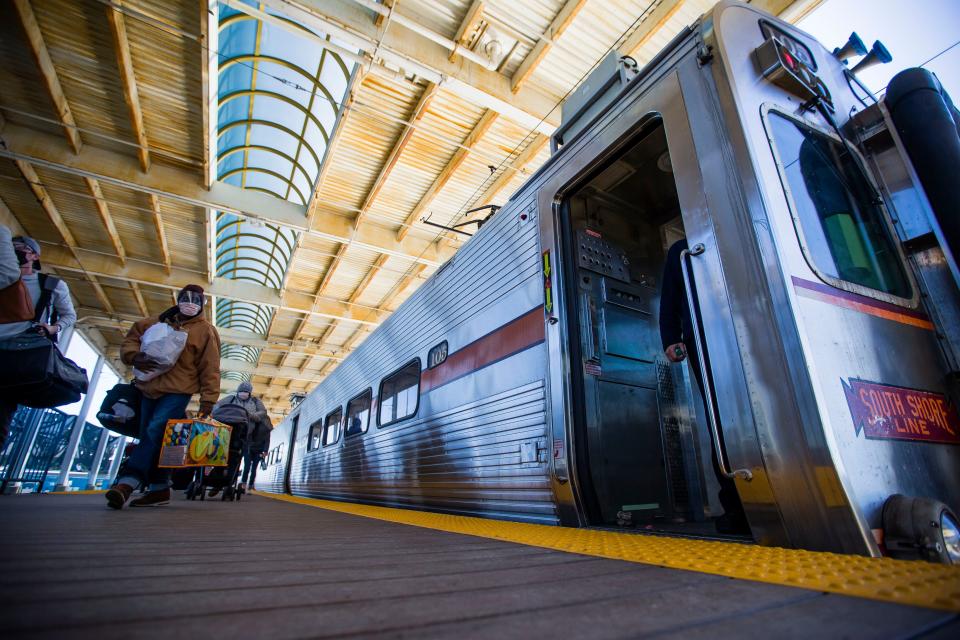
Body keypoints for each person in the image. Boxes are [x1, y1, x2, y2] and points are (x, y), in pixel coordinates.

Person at [659, 238, 749, 535]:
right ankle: (737, 507)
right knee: (720, 418)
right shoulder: (682, 249)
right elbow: (670, 297)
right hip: (701, 336)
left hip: (744, 326)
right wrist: (671, 337)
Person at [105, 284, 221, 509]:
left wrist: (209, 400)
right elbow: (132, 338)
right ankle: (159, 489)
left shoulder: (205, 331)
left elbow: (211, 366)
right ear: (177, 299)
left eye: (195, 300)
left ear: (202, 303)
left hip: (178, 391)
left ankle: (128, 482)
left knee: (154, 430)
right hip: (148, 387)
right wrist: (133, 356)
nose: (190, 303)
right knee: (153, 435)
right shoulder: (155, 322)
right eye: (185, 298)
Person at [0, 230, 76, 448]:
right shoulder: (4, 276)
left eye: (21, 249)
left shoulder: (51, 284)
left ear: (34, 255)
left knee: (2, 409)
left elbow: (69, 315)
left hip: (20, 353)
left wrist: (53, 328)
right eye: (11, 248)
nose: (14, 252)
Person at [211, 380, 272, 495]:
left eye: (246, 392)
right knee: (221, 457)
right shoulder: (231, 399)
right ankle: (217, 483)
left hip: (245, 435)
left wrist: (251, 415)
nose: (243, 393)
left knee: (236, 459)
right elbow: (217, 406)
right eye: (241, 391)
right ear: (238, 391)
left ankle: (229, 483)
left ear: (250, 393)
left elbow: (263, 413)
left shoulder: (255, 401)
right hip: (227, 433)